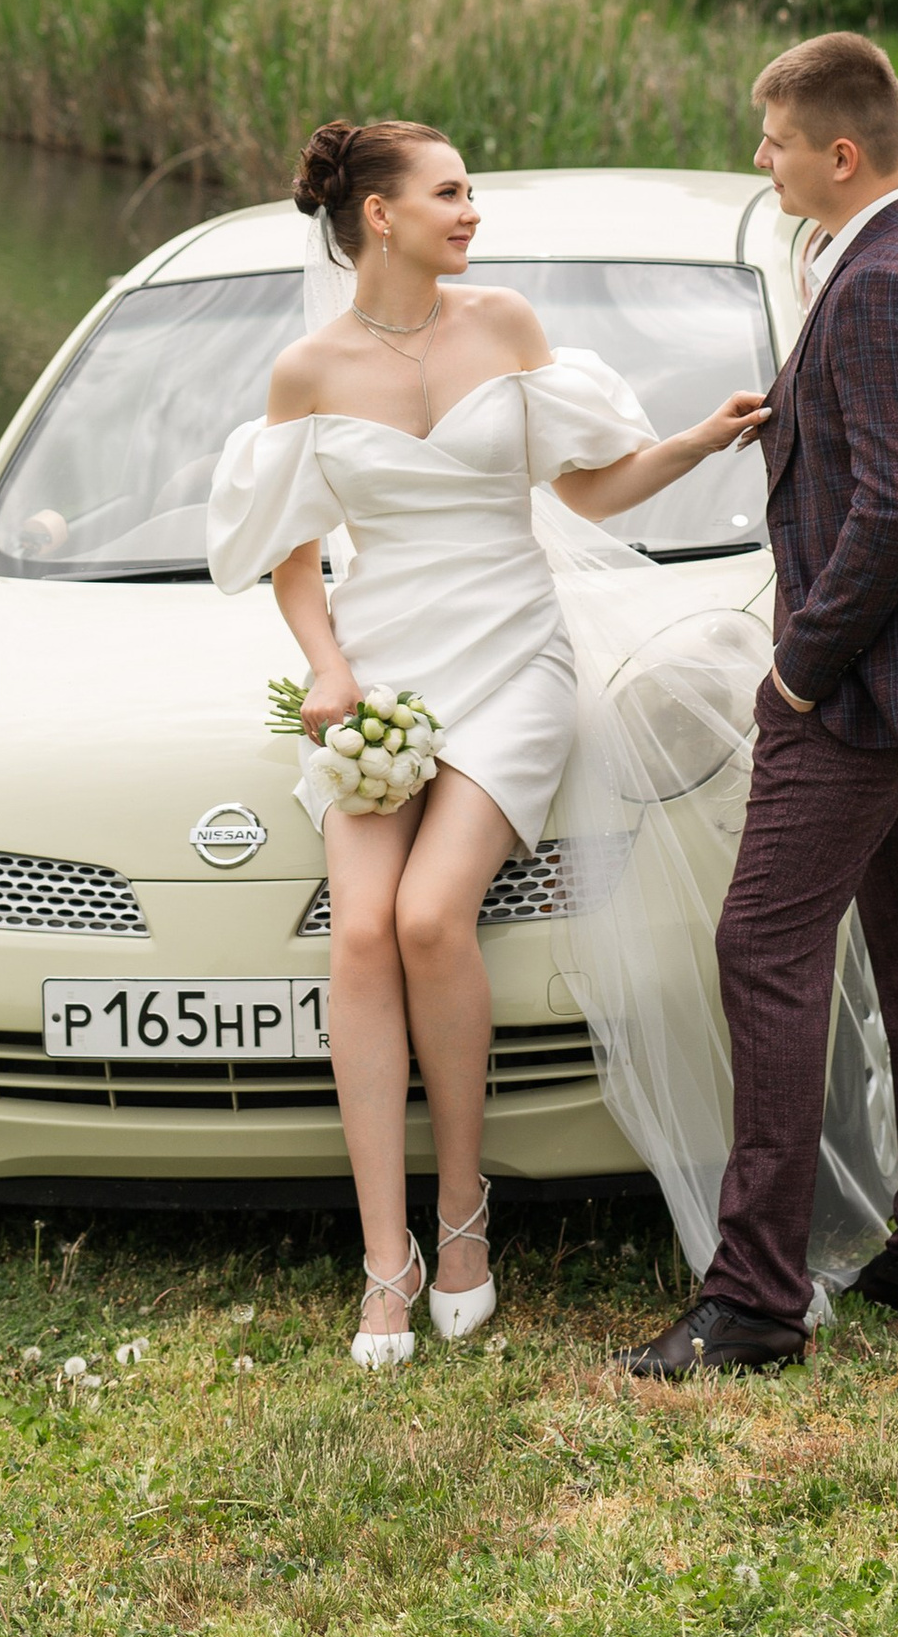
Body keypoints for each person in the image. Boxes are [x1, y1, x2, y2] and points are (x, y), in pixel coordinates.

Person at [206, 117, 764, 1369]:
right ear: (379, 217)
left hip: (514, 654)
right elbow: (293, 555)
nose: (471, 210)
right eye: (450, 192)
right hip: (383, 665)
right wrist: (333, 672)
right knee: (357, 931)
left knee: (426, 916)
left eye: (472, 192)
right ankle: (384, 1260)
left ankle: (465, 1221)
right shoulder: (304, 372)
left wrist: (695, 440)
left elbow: (589, 488)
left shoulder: (504, 325)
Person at [625, 29, 898, 1376]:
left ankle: (753, 1302)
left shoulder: (889, 289)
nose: (762, 157)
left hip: (857, 688)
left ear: (839, 154)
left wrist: (799, 671)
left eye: (777, 141)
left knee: (764, 950)